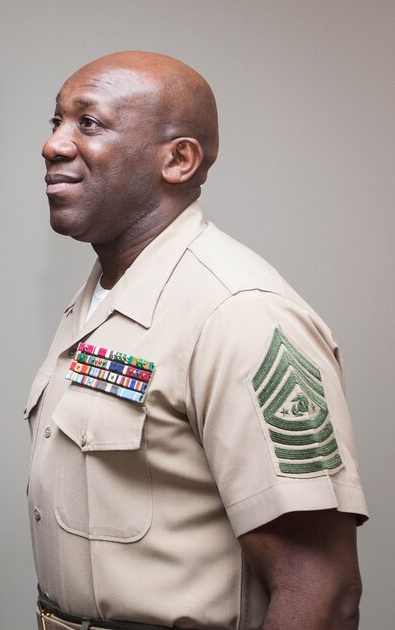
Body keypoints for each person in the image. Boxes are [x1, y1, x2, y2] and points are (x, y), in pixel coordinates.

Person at [26, 51, 367, 629]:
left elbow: (320, 590)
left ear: (179, 160)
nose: (54, 144)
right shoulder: (106, 296)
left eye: (89, 123)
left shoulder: (241, 316)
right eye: (55, 121)